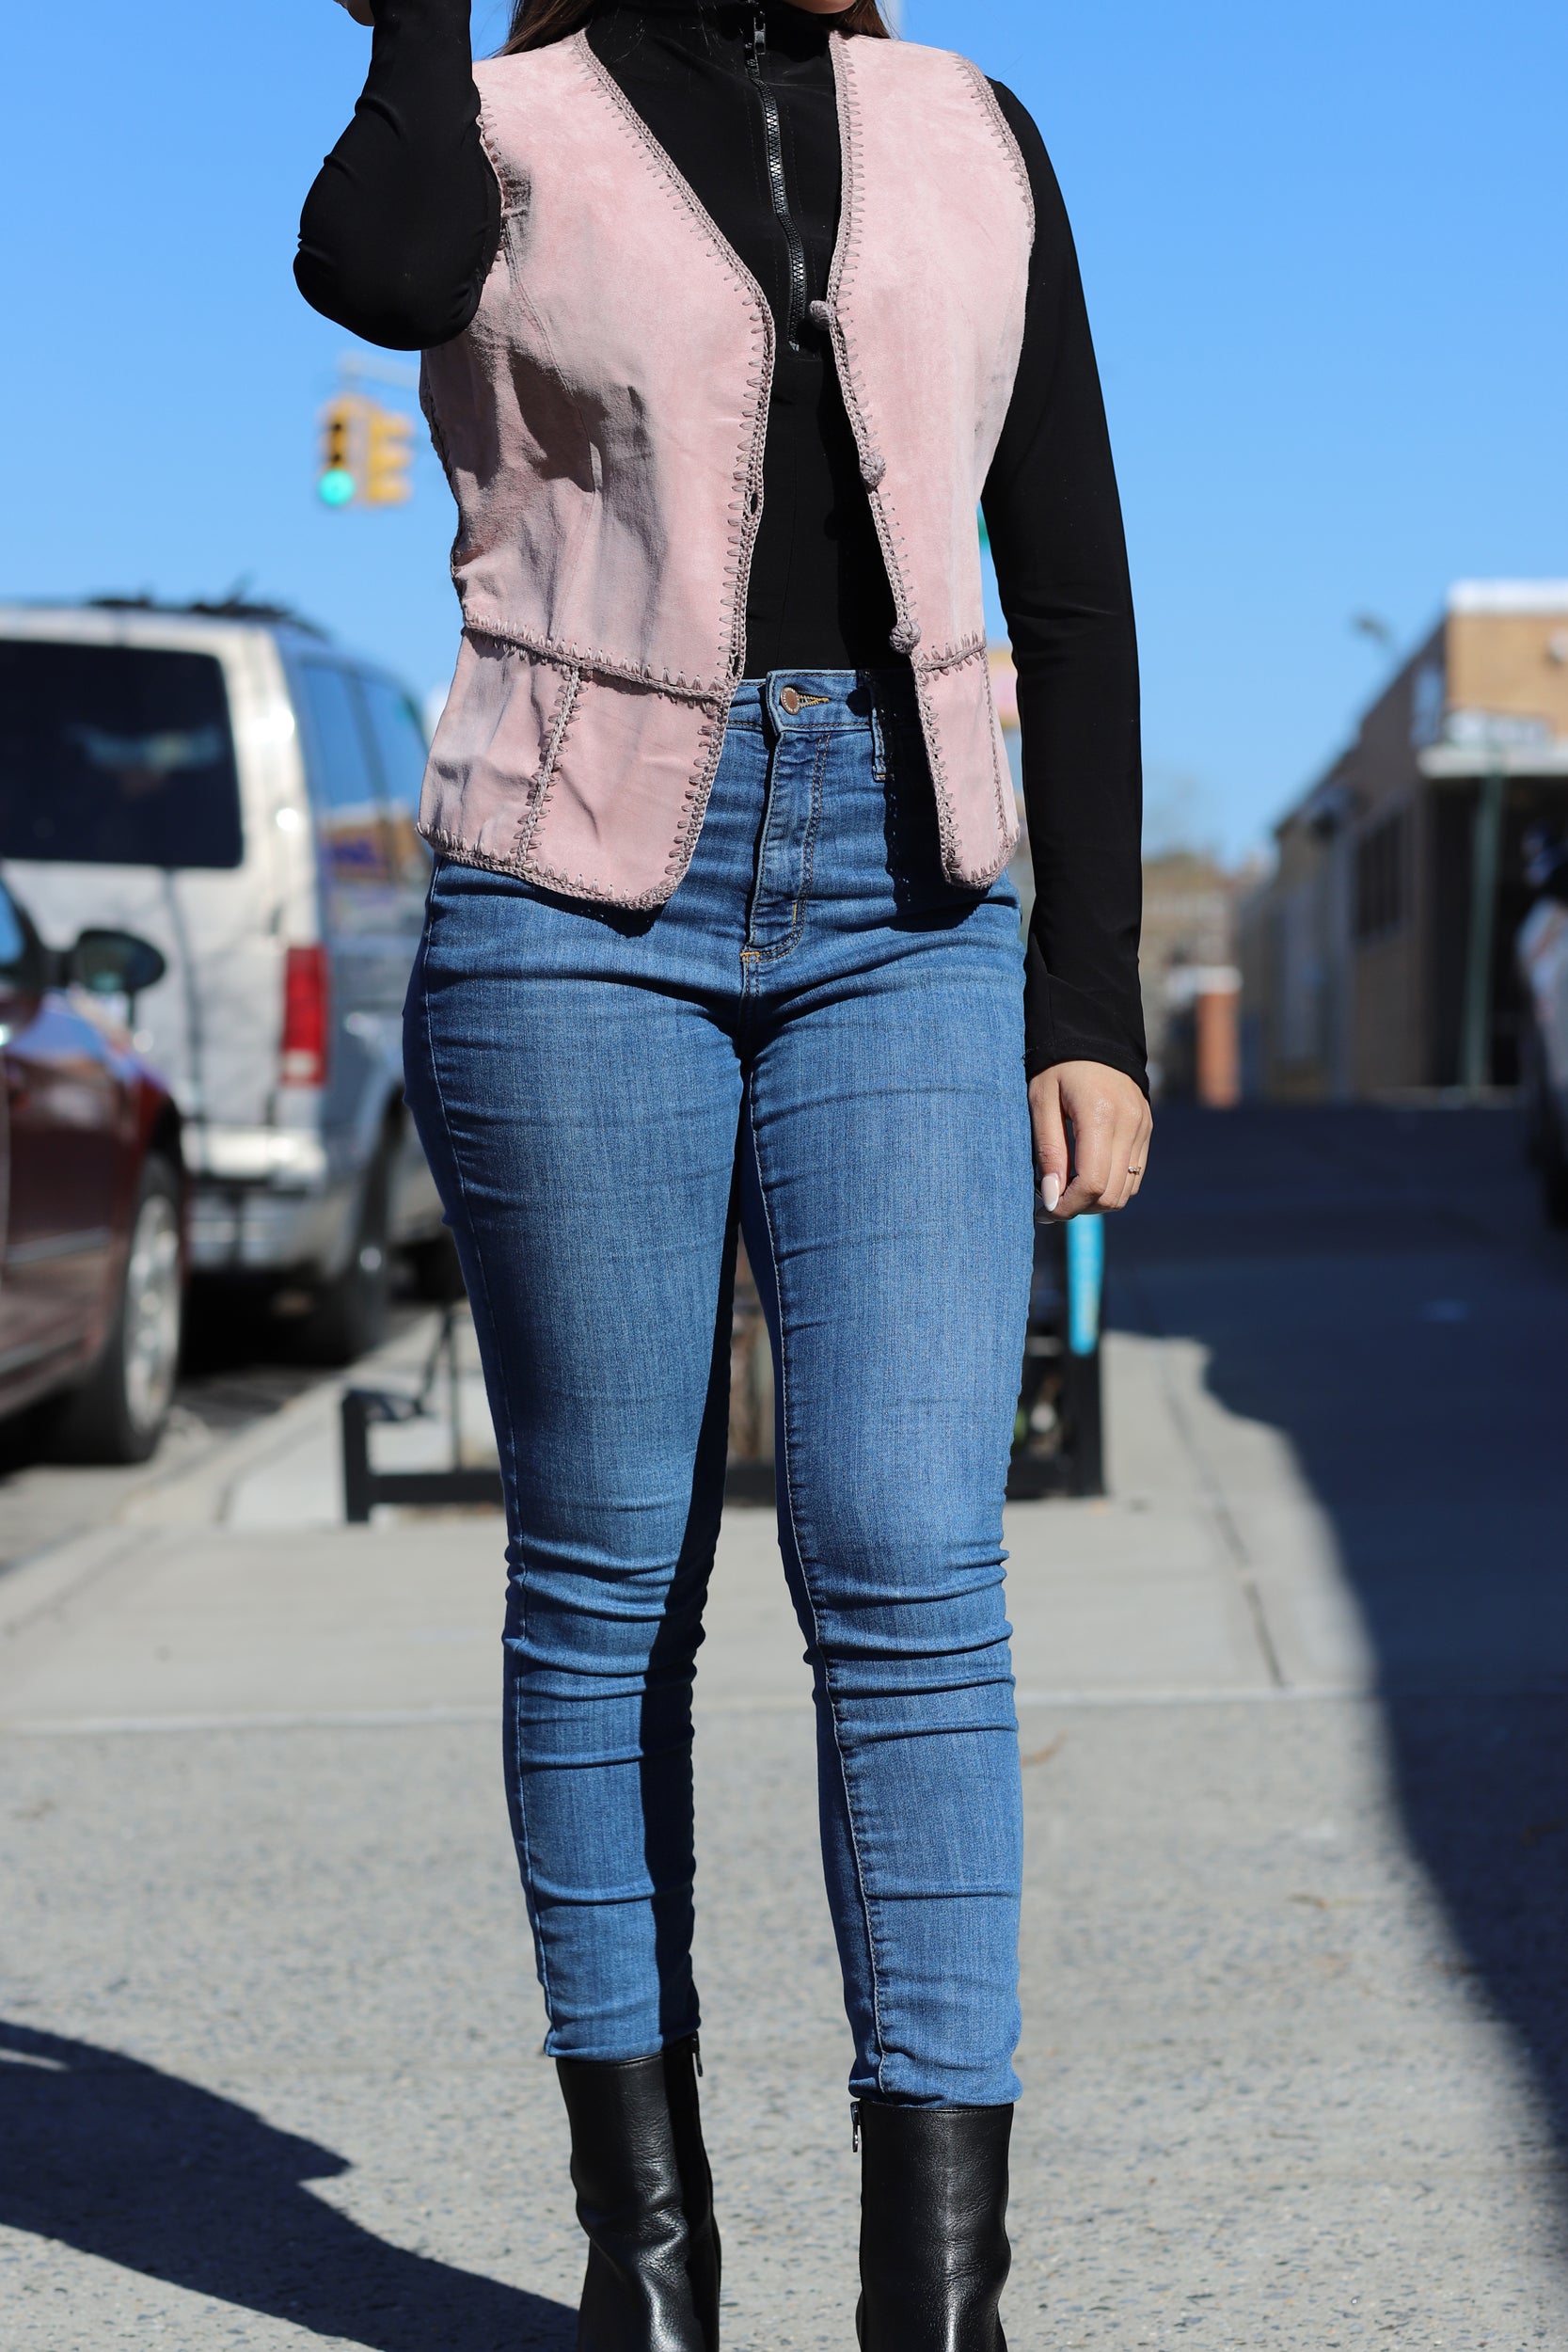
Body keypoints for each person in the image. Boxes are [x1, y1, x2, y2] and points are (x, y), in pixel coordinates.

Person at [297, 2, 1151, 2343]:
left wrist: (1090, 993)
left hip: (914, 903)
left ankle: (937, 2298)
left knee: (908, 1557)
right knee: (608, 1576)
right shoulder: (487, 131)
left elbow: (1064, 573)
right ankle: (647, 2264)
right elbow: (364, 273)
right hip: (579, 897)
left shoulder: (971, 132)